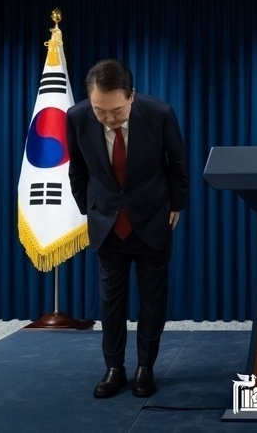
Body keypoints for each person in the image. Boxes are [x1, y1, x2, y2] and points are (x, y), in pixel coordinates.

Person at [66, 58, 189, 399]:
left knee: (152, 299)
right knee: (111, 302)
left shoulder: (159, 114)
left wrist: (176, 203)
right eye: (100, 111)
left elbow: (177, 162)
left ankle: (145, 367)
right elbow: (77, 171)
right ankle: (114, 368)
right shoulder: (76, 117)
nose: (109, 119)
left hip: (151, 219)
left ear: (131, 95)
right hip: (107, 224)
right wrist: (90, 211)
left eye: (117, 111)